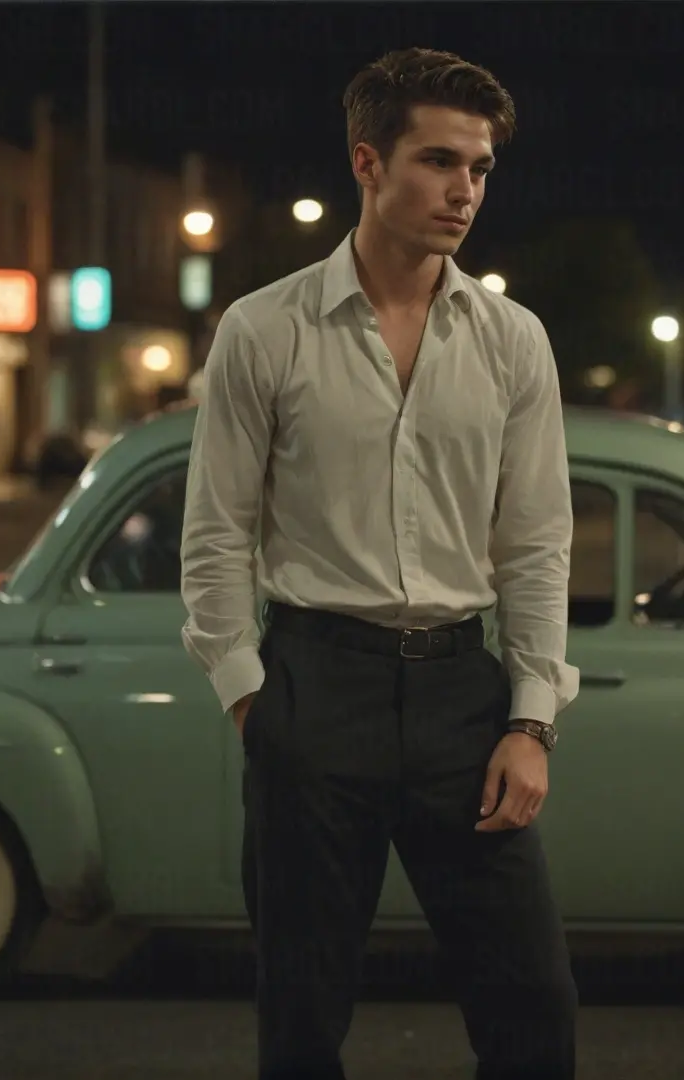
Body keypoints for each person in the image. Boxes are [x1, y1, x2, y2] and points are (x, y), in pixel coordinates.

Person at [181, 46, 580, 1080]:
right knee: (302, 1013)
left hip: (462, 692)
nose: (466, 191)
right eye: (440, 162)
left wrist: (531, 720)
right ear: (367, 162)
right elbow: (217, 530)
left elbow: (536, 540)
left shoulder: (511, 340)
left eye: (482, 169)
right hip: (316, 684)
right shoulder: (264, 331)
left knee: (533, 1004)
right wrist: (250, 703)